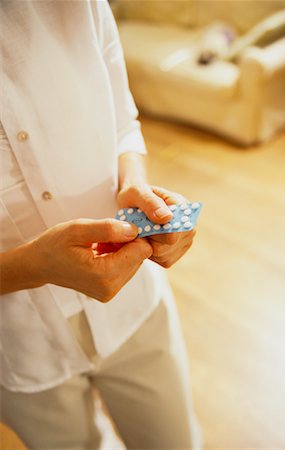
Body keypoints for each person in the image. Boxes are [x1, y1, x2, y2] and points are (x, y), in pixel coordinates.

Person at [0, 1, 202, 449]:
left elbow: (122, 124)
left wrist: (136, 186)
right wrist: (31, 266)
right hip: (17, 347)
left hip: (136, 308)